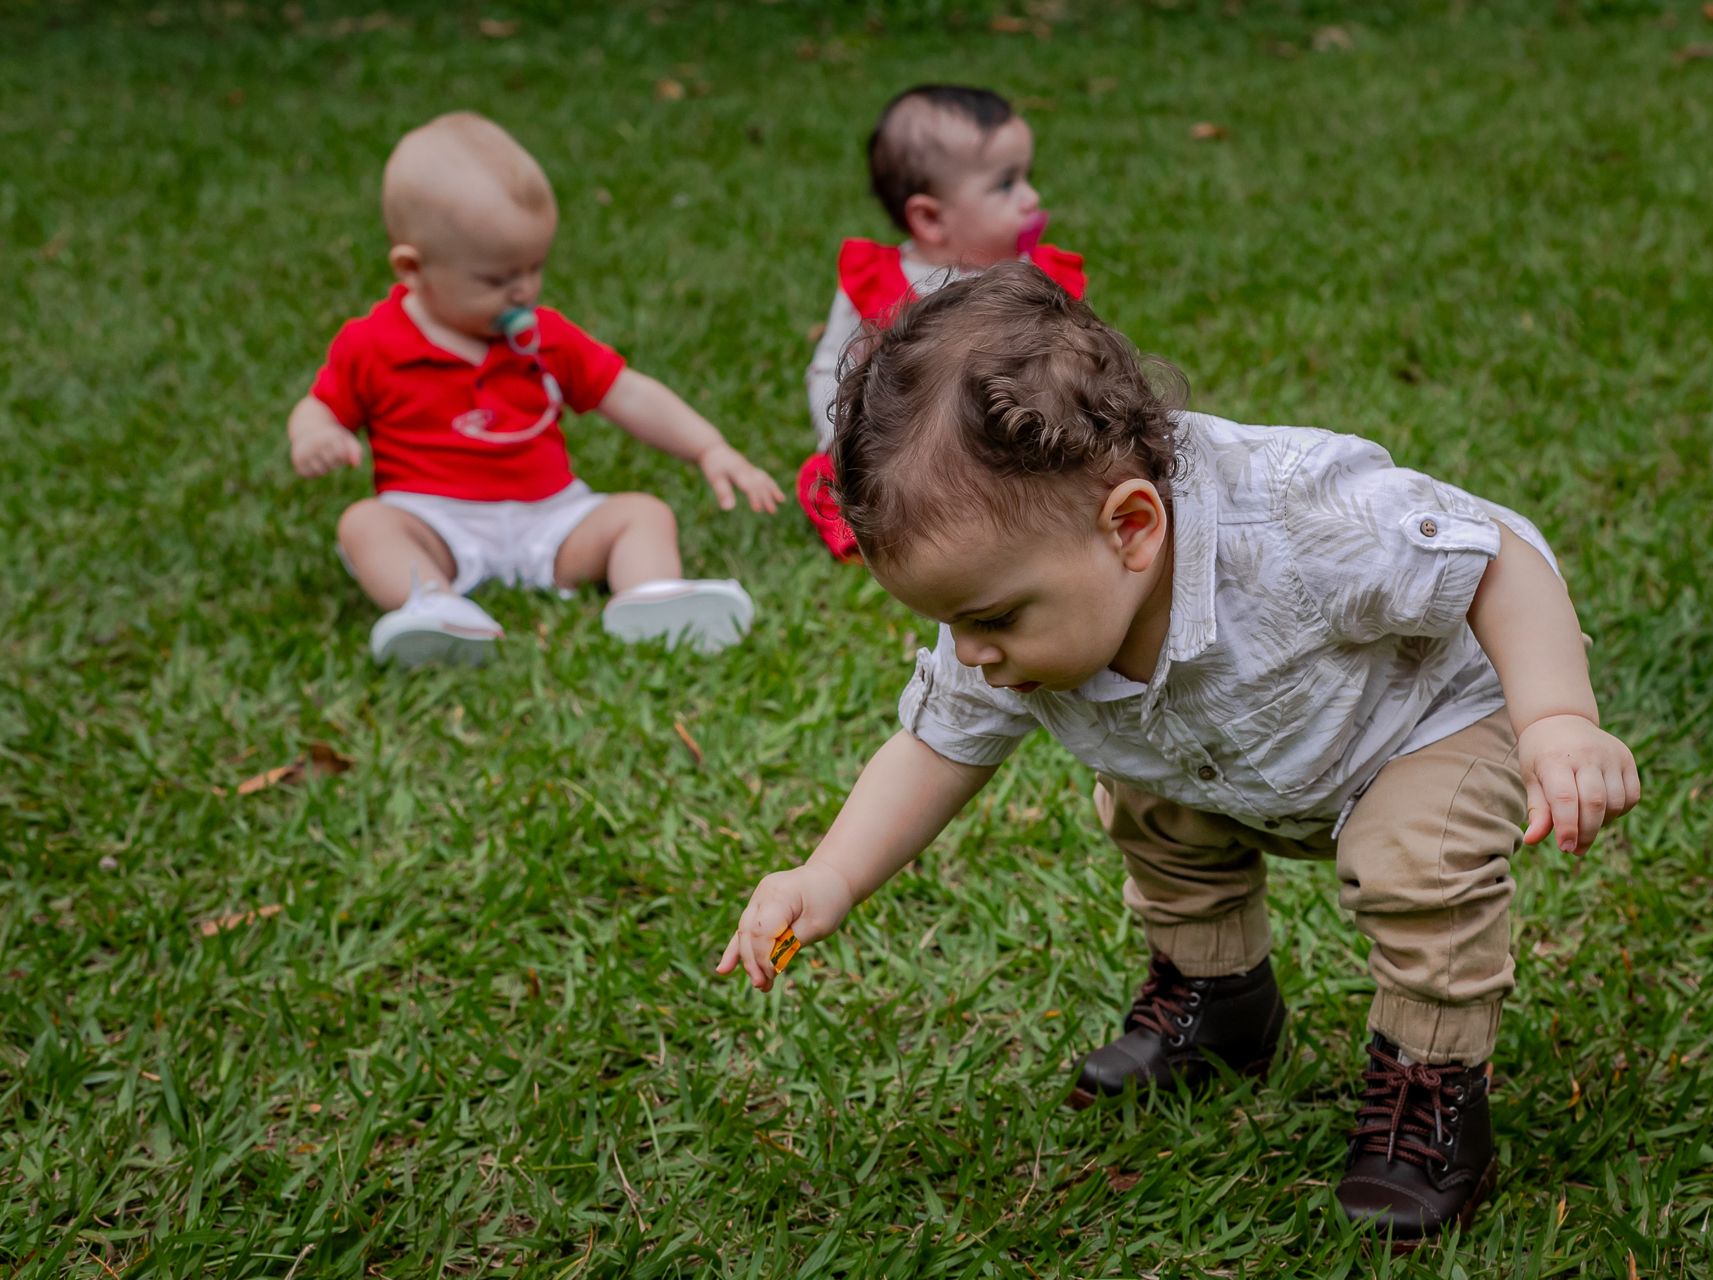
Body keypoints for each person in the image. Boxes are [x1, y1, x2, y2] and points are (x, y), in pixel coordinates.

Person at [720, 264, 1641, 1247]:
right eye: (949, 621)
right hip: (1244, 756)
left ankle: (1430, 1089)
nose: (974, 652)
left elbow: (1495, 559)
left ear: (1130, 526)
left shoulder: (1297, 517)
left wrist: (1556, 722)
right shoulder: (1025, 602)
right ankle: (1219, 1001)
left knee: (1415, 858)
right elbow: (933, 745)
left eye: (990, 617)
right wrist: (827, 874)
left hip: (1434, 711)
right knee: (1153, 806)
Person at [287, 111, 782, 666]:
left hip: (551, 516)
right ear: (412, 268)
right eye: (496, 279)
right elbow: (320, 407)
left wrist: (707, 446)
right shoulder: (373, 344)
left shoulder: (544, 335)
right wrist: (314, 435)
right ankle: (435, 607)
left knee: (644, 513)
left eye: (534, 267)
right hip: (435, 521)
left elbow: (628, 393)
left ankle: (648, 598)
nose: (522, 289)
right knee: (365, 524)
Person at [796, 84, 1085, 561]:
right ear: (929, 218)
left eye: (1027, 177)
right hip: (913, 452)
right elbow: (832, 369)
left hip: (1010, 445)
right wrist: (841, 441)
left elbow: (1068, 359)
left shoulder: (1033, 278)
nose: (1032, 198)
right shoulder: (879, 286)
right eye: (1006, 184)